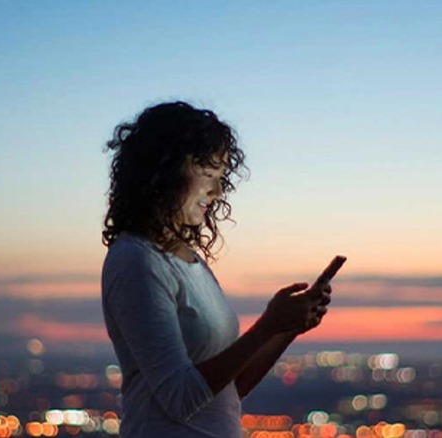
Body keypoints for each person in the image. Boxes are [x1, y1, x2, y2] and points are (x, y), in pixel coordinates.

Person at [100, 101, 332, 437]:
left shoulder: (191, 263)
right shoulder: (136, 261)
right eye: (208, 175)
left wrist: (287, 327)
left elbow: (231, 388)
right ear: (164, 174)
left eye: (221, 177)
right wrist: (268, 325)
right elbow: (181, 397)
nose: (218, 191)